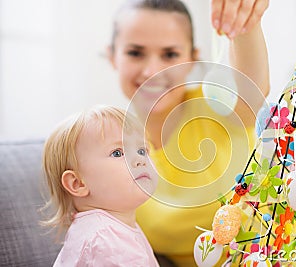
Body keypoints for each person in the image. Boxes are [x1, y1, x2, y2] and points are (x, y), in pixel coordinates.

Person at [106, 0, 270, 266]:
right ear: (112, 56)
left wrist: (245, 21)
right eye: (136, 53)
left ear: (193, 57)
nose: (152, 71)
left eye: (170, 54)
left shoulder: (218, 109)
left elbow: (253, 89)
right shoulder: (106, 148)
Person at [41, 105, 159, 266]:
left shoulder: (110, 229)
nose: (140, 160)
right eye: (117, 153)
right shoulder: (104, 239)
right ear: (78, 183)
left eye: (142, 150)